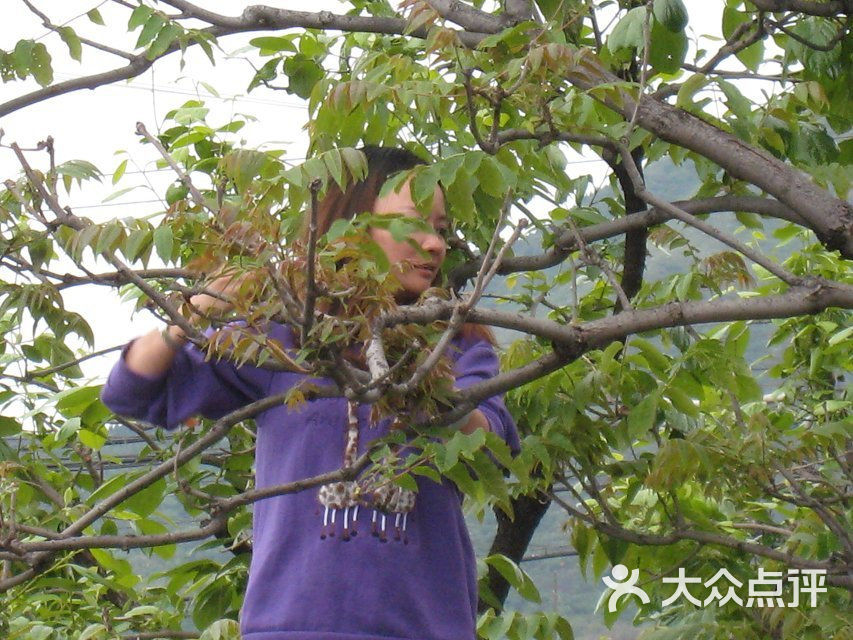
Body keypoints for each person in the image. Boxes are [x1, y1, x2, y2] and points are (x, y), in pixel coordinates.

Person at [100, 146, 520, 640]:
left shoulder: (458, 342)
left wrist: (430, 384)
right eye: (414, 224)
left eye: (443, 230)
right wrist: (194, 312)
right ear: (353, 226)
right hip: (292, 625)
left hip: (424, 626)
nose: (434, 244)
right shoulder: (287, 335)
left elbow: (491, 447)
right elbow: (133, 391)